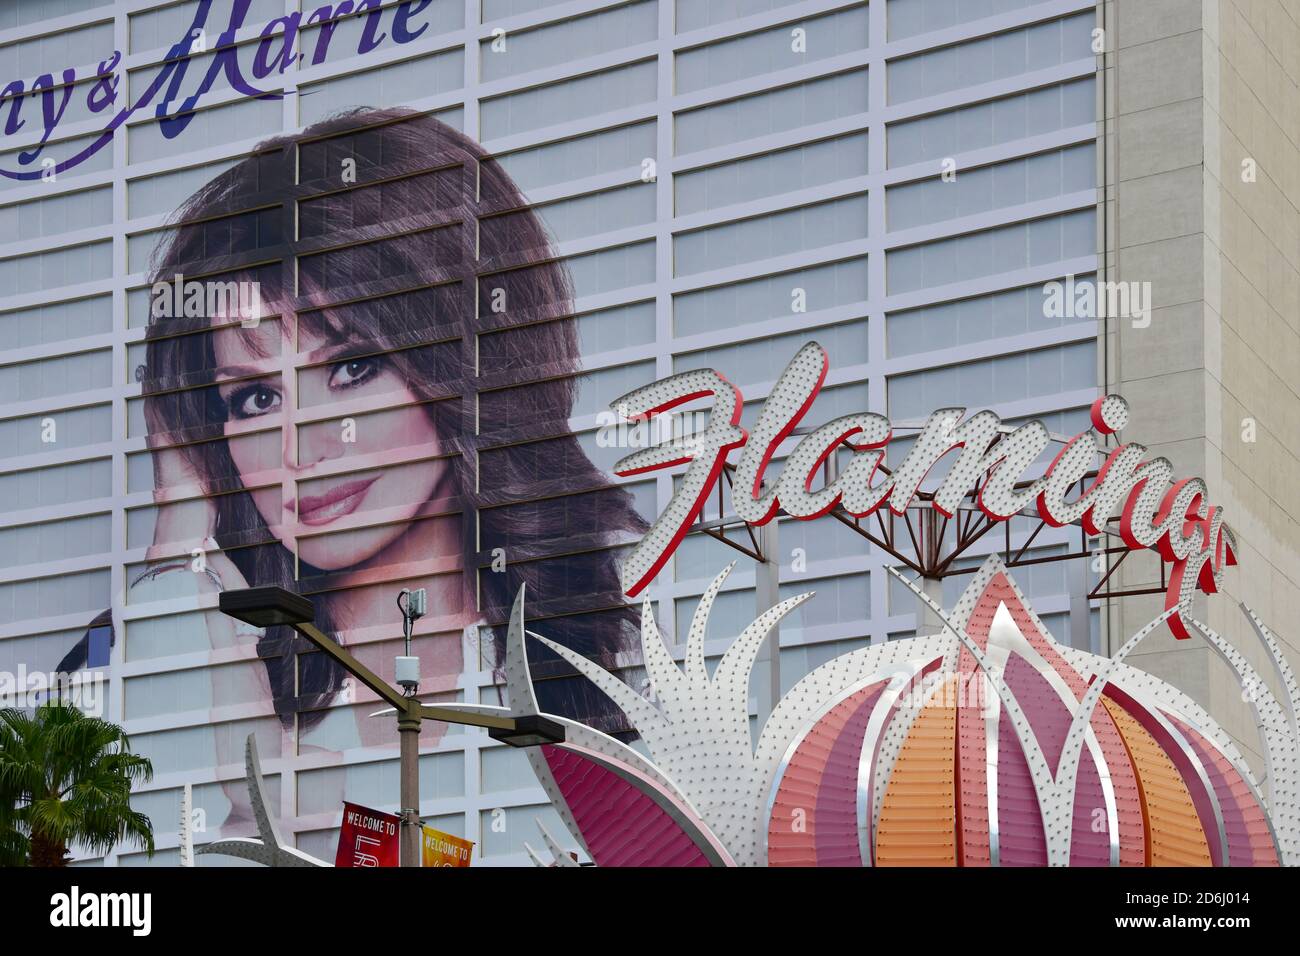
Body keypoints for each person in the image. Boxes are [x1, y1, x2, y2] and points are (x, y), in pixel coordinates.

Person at [61, 107, 647, 830]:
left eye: (352, 367)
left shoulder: (642, 630)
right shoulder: (188, 653)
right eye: (254, 397)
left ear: (468, 355)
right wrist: (180, 543)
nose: (299, 450)